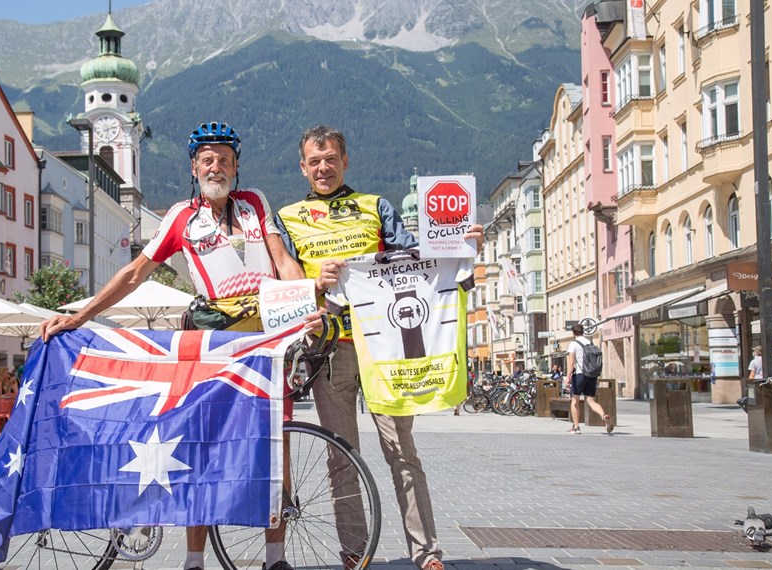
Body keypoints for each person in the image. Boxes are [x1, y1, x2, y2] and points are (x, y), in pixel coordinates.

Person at [40, 121, 317, 570]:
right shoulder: (180, 217)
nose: (216, 166)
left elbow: (283, 261)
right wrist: (81, 316)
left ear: (236, 165)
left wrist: (305, 306)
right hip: (213, 345)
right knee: (201, 451)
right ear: (194, 166)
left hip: (267, 341)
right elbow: (133, 274)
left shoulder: (255, 203)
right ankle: (193, 561)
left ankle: (275, 558)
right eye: (207, 159)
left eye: (224, 158)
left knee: (275, 448)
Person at [275, 125, 484, 570]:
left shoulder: (376, 206)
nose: (323, 167)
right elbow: (280, 287)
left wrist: (463, 250)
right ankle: (355, 552)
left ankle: (427, 553)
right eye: (314, 161)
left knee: (402, 452)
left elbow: (420, 264)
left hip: (386, 347)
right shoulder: (288, 217)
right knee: (340, 457)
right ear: (302, 168)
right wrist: (314, 285)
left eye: (330, 158)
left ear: (345, 161)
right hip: (328, 350)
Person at [566, 323, 613, 435]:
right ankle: (603, 415)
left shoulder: (573, 344)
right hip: (592, 374)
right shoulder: (590, 342)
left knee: (575, 400)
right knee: (591, 401)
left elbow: (571, 362)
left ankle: (576, 427)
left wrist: (568, 377)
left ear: (573, 333)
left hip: (579, 375)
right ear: (583, 332)